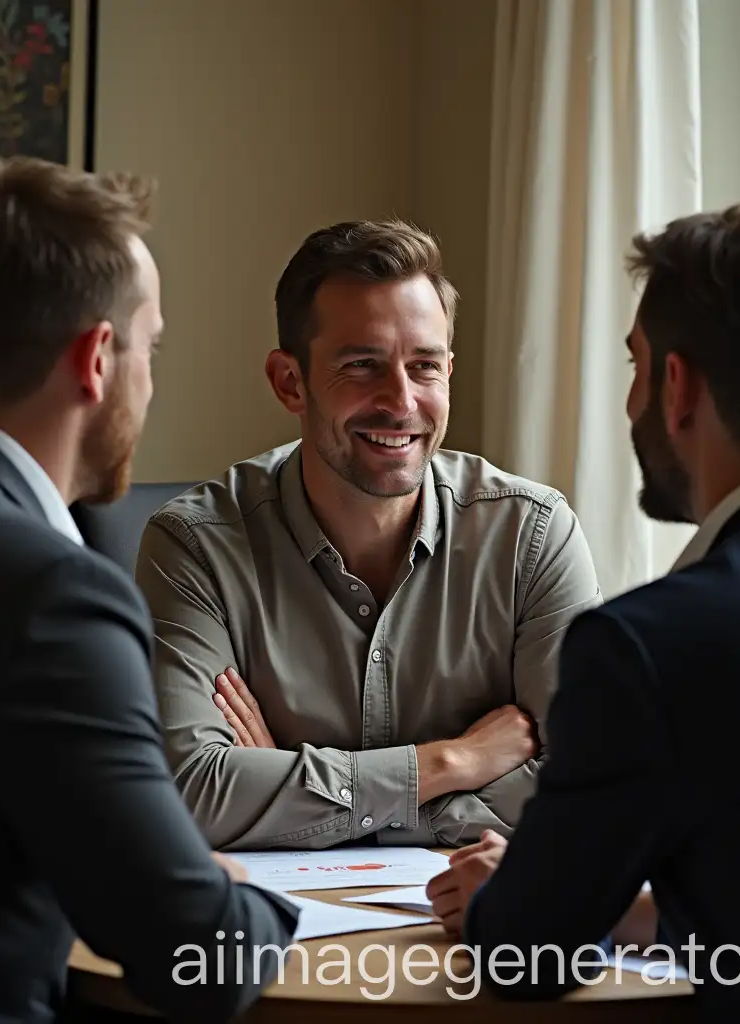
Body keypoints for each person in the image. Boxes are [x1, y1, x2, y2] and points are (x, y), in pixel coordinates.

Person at [425, 193, 740, 1021]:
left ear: (676, 387)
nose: (632, 400)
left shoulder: (650, 646)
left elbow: (523, 955)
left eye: (636, 366)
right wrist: (640, 911)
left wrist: (512, 895)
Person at [0, 157, 298, 1024]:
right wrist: (227, 887)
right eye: (152, 345)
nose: (152, 376)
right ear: (98, 359)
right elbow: (201, 961)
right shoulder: (52, 600)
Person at [135, 219, 602, 850]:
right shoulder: (197, 546)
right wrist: (450, 763)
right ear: (289, 382)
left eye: (425, 366)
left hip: (468, 930)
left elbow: (591, 783)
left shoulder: (532, 535)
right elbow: (191, 792)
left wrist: (299, 803)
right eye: (363, 365)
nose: (402, 401)